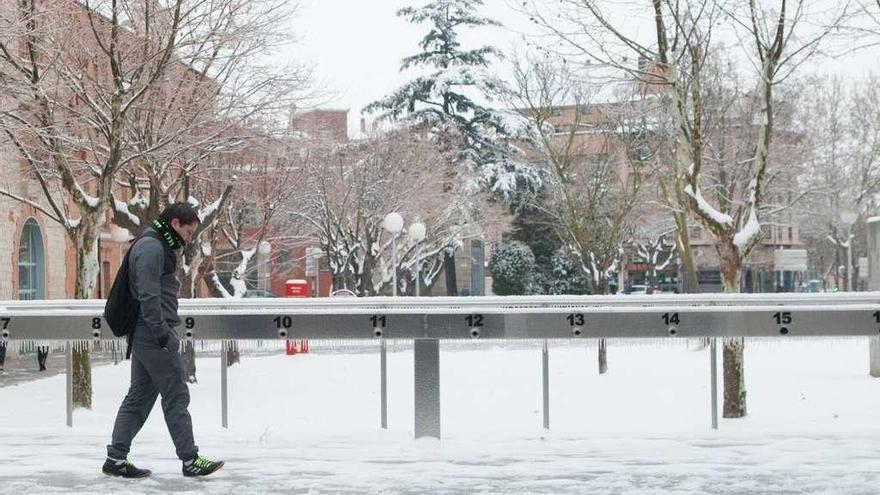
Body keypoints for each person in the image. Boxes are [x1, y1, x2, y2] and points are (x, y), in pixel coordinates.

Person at [103, 203, 224, 479]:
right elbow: (148, 295)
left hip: (149, 331)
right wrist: (162, 334)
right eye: (189, 232)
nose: (189, 238)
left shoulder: (156, 244)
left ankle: (115, 459)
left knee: (139, 397)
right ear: (175, 224)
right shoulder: (152, 248)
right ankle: (190, 459)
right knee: (176, 395)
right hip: (153, 332)